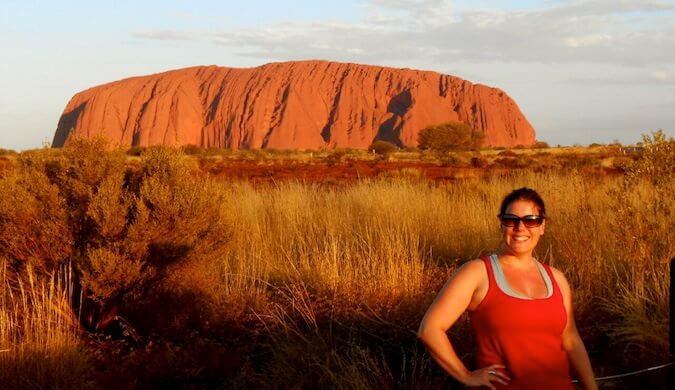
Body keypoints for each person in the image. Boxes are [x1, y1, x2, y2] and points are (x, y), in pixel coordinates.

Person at [417, 187, 596, 389]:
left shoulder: (557, 279)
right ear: (501, 225)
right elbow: (429, 329)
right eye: (511, 219)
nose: (520, 227)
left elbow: (571, 340)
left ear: (542, 226)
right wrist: (466, 375)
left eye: (530, 220)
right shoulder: (478, 273)